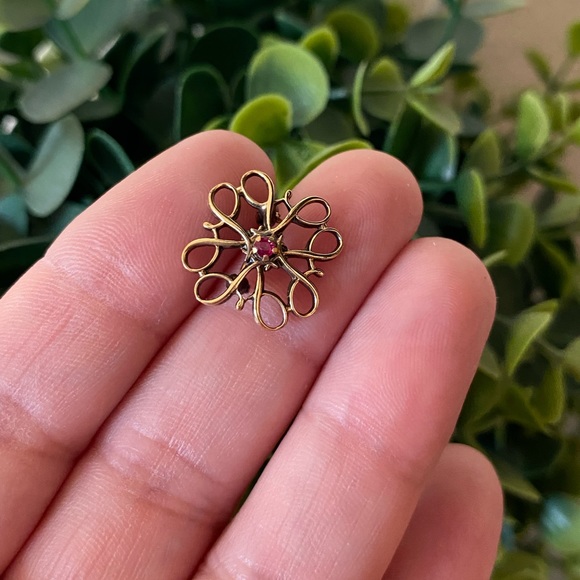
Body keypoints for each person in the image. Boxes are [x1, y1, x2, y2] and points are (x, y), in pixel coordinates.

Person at [0, 131, 502, 579]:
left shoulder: (273, 255)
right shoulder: (255, 253)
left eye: (264, 243)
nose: (262, 247)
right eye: (259, 244)